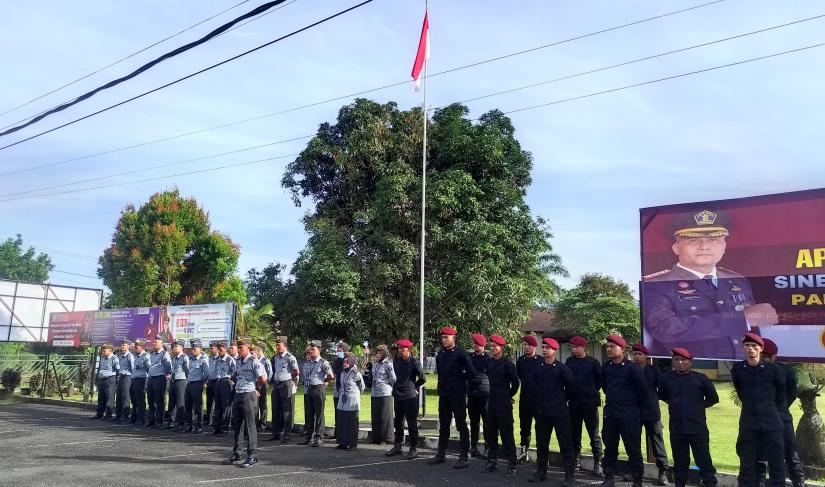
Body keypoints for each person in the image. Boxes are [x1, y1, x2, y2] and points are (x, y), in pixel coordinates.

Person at [643, 209, 778, 360]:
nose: (704, 246)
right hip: (687, 372)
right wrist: (742, 319)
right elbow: (665, 329)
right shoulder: (656, 284)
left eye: (713, 240)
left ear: (724, 246)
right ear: (676, 247)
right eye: (693, 240)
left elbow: (752, 332)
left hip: (743, 369)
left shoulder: (737, 280)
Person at [658, 347, 719, 487]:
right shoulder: (667, 378)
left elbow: (713, 398)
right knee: (680, 462)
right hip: (677, 427)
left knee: (703, 460)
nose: (680, 362)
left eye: (683, 360)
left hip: (697, 427)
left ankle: (710, 483)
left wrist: (696, 407)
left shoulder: (700, 379)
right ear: (672, 361)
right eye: (676, 359)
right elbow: (662, 395)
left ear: (690, 362)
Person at [732, 333, 786, 487]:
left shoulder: (773, 370)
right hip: (749, 423)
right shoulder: (738, 369)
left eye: (754, 346)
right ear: (743, 348)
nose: (751, 349)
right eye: (747, 346)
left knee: (776, 462)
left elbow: (781, 395)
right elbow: (741, 392)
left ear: (761, 349)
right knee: (747, 463)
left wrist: (766, 408)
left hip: (771, 422)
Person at [757, 338, 805, 487]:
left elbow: (791, 394)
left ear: (773, 357)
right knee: (761, 456)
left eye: (766, 357)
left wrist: (780, 407)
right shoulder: (750, 372)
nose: (763, 359)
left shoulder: (786, 372)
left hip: (782, 417)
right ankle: (759, 483)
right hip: (760, 419)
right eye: (762, 356)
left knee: (791, 453)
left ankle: (799, 483)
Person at [601, 335, 647, 487]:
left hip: (628, 414)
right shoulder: (606, 367)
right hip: (611, 414)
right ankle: (609, 478)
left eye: (612, 347)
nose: (609, 349)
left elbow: (642, 392)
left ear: (622, 349)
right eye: (607, 346)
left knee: (633, 449)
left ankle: (637, 480)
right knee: (610, 448)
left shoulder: (633, 368)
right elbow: (605, 388)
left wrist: (629, 405)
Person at [428, 326, 477, 469]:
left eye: (446, 337)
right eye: (442, 337)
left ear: (453, 338)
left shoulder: (461, 354)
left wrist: (459, 375)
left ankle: (464, 456)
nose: (443, 340)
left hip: (458, 394)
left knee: (461, 425)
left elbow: (472, 373)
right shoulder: (441, 355)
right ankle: (441, 454)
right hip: (444, 394)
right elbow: (440, 375)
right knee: (444, 425)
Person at [530, 337, 575, 485]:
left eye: (547, 347)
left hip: (559, 412)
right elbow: (535, 387)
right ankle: (541, 471)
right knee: (542, 443)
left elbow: (570, 389)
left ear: (555, 350)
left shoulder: (562, 369)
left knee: (565, 444)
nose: (544, 350)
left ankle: (569, 475)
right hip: (542, 412)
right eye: (543, 347)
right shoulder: (538, 367)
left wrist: (560, 401)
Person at [630, 343, 670, 485]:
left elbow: (663, 387)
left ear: (645, 356)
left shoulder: (653, 370)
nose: (636, 357)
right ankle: (634, 471)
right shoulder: (629, 369)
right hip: (633, 411)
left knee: (657, 442)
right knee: (633, 442)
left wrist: (655, 397)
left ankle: (663, 471)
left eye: (639, 354)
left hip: (651, 411)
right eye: (634, 354)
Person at [224, 338, 267, 468]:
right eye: (239, 347)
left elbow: (263, 378)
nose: (239, 349)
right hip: (238, 393)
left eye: (241, 347)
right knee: (238, 426)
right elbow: (235, 375)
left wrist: (256, 388)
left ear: (248, 348)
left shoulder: (254, 361)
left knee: (250, 426)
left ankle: (252, 455)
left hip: (249, 394)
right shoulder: (237, 361)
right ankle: (237, 453)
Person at [480, 334, 519, 477]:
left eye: (495, 346)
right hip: (492, 403)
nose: (492, 348)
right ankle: (492, 461)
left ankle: (512, 463)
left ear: (501, 348)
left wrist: (509, 396)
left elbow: (516, 383)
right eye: (491, 346)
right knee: (491, 434)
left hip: (504, 404)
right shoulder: (489, 363)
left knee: (506, 434)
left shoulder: (508, 364)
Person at [565, 335, 603, 476]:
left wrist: (591, 392)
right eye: (572, 347)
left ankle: (598, 462)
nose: (574, 349)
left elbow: (599, 382)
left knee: (594, 434)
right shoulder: (569, 362)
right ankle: (575, 459)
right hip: (574, 403)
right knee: (574, 433)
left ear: (583, 347)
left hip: (589, 404)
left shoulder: (593, 363)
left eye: (576, 347)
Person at [386, 338, 426, 460]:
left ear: (408, 350)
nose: (400, 351)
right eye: (398, 349)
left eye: (402, 349)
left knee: (412, 423)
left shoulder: (414, 362)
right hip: (398, 395)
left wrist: (415, 386)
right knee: (398, 422)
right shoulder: (396, 361)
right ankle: (398, 446)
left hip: (410, 396)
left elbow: (423, 378)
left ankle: (413, 448)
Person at [301, 341, 334, 447]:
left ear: (319, 350)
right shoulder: (308, 363)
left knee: (319, 414)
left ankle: (319, 437)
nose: (311, 351)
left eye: (313, 349)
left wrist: (324, 381)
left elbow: (331, 375)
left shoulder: (323, 362)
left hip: (318, 389)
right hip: (308, 389)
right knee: (309, 414)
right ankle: (309, 436)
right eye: (310, 349)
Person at [268, 336, 300, 443]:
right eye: (276, 345)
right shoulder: (276, 357)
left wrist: (291, 378)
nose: (277, 347)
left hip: (286, 384)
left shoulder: (290, 357)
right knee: (275, 409)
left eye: (279, 345)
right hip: (277, 385)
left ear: (285, 345)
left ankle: (286, 435)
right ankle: (276, 433)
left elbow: (296, 371)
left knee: (287, 410)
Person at [516, 334, 541, 464]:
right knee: (524, 427)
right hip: (525, 399)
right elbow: (520, 376)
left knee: (540, 427)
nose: (526, 347)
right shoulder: (521, 361)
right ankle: (524, 451)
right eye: (524, 345)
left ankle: (541, 453)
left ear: (534, 346)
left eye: (528, 345)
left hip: (538, 399)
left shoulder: (540, 361)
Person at [336, 353, 366, 451]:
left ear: (352, 362)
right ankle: (342, 443)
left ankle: (352, 444)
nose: (345, 363)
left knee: (352, 423)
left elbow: (362, 387)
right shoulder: (342, 373)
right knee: (342, 422)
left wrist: (356, 395)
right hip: (343, 400)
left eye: (347, 361)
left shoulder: (357, 374)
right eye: (344, 361)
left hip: (352, 401)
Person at [467, 333, 490, 458]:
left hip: (485, 395)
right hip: (472, 394)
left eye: (478, 344)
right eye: (474, 344)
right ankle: (474, 446)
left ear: (483, 345)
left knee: (487, 422)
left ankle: (488, 447)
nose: (475, 346)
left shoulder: (488, 358)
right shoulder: (469, 357)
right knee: (474, 422)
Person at [370, 344, 396, 445]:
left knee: (385, 416)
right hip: (375, 392)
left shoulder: (388, 364)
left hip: (385, 393)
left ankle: (386, 438)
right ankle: (376, 437)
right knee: (376, 415)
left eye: (380, 352)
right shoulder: (375, 364)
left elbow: (393, 379)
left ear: (385, 353)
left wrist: (389, 387)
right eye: (377, 352)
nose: (378, 354)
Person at [145, 337, 172, 428]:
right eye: (154, 342)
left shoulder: (164, 354)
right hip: (151, 378)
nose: (154, 343)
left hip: (159, 378)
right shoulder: (152, 354)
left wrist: (166, 374)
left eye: (156, 342)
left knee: (159, 400)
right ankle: (151, 420)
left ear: (161, 344)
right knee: (151, 400)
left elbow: (168, 366)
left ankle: (159, 421)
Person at [185, 338, 209, 433]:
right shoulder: (190, 358)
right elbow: (187, 371)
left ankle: (199, 426)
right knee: (188, 405)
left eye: (195, 348)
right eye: (192, 348)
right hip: (189, 383)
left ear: (200, 349)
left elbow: (206, 373)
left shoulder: (203, 359)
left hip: (197, 383)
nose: (193, 350)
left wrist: (202, 382)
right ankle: (189, 425)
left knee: (198, 406)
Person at [212, 341, 236, 436]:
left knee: (225, 406)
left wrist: (231, 380)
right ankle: (216, 428)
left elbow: (235, 371)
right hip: (218, 382)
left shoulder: (230, 359)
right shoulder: (217, 359)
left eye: (221, 348)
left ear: (225, 349)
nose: (219, 350)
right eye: (218, 348)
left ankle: (224, 428)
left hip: (226, 382)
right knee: (217, 406)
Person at [91, 343, 120, 419]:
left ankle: (108, 414)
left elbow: (118, 369)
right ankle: (99, 413)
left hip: (110, 379)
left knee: (109, 397)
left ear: (110, 350)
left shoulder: (114, 358)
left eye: (104, 350)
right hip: (102, 379)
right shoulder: (102, 358)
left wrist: (116, 378)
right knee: (101, 397)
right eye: (102, 350)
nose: (103, 351)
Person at [168, 339, 190, 431]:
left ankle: (180, 424)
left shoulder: (184, 357)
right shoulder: (173, 357)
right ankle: (171, 423)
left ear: (181, 348)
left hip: (181, 381)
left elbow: (188, 370)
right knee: (171, 403)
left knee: (180, 403)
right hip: (173, 381)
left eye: (176, 346)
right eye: (173, 346)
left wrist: (188, 381)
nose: (173, 348)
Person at [129, 339, 150, 425]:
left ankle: (141, 419)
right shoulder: (136, 356)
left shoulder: (146, 356)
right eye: (135, 346)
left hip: (141, 379)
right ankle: (134, 417)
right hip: (134, 379)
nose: (135, 347)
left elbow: (149, 368)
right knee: (133, 399)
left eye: (136, 346)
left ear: (141, 346)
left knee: (140, 400)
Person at [113, 339, 135, 423]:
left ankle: (125, 416)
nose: (122, 346)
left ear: (128, 346)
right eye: (121, 345)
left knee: (125, 397)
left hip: (127, 377)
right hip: (121, 377)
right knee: (118, 397)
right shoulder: (120, 355)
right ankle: (118, 415)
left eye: (124, 345)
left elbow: (132, 368)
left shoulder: (130, 356)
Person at [253, 345, 272, 431]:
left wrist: (267, 381)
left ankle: (263, 424)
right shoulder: (254, 360)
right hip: (255, 383)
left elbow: (270, 372)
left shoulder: (265, 360)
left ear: (260, 351)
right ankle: (256, 423)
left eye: (257, 351)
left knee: (262, 404)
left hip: (262, 383)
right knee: (255, 404)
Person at [332, 341, 350, 434]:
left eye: (340, 350)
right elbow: (334, 373)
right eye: (337, 350)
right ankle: (337, 432)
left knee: (344, 410)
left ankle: (343, 432)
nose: (338, 352)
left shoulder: (348, 360)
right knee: (336, 409)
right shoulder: (336, 361)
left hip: (344, 388)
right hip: (337, 387)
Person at [205, 341, 219, 427]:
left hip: (217, 381)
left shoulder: (219, 358)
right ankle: (209, 420)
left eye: (212, 348)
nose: (211, 350)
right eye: (210, 348)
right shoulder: (209, 358)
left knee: (217, 403)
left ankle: (215, 420)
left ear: (217, 349)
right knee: (209, 402)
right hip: (210, 382)